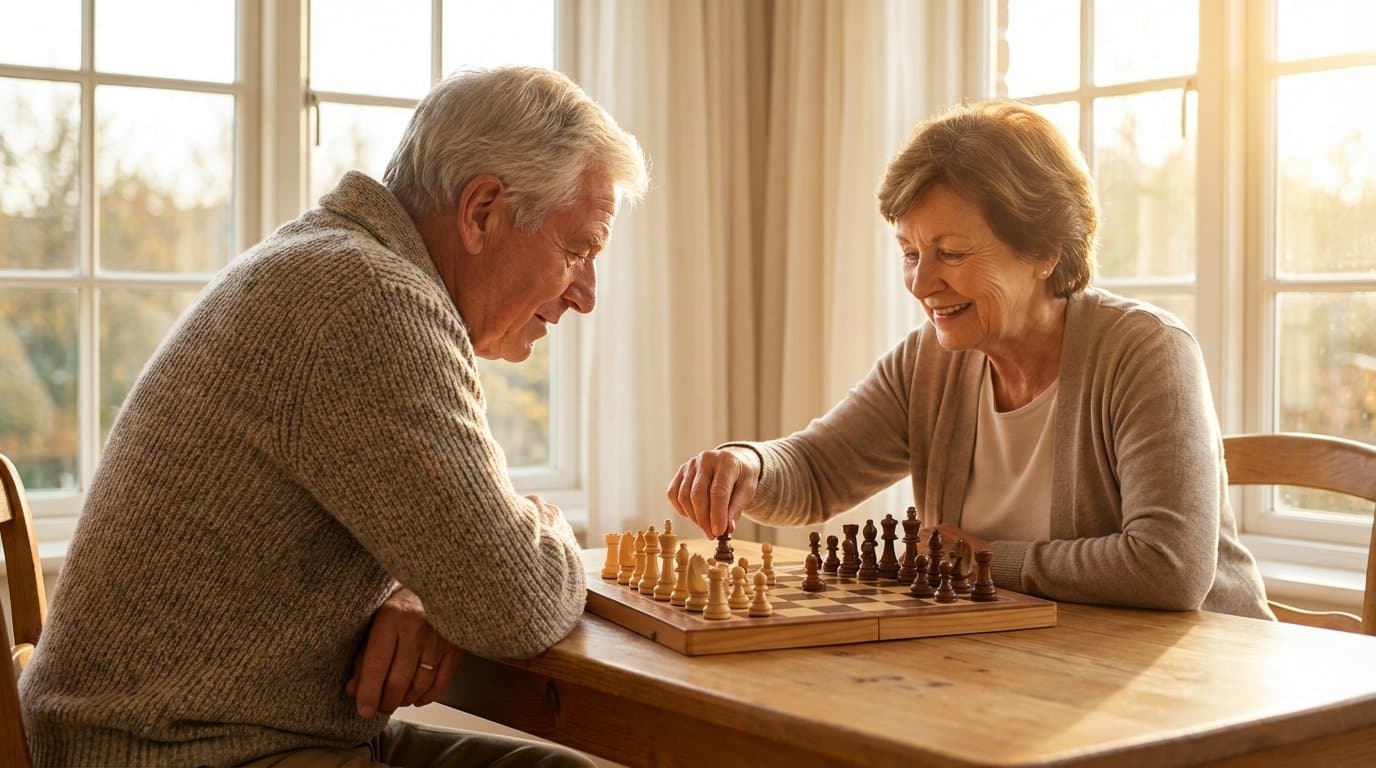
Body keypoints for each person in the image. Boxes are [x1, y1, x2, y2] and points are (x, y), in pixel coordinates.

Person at [20, 67, 647, 767]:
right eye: (577, 250)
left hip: (215, 732)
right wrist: (548, 525)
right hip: (178, 752)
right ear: (481, 212)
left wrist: (427, 589)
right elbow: (516, 601)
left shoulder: (335, 264)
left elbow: (477, 571)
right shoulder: (371, 303)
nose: (586, 295)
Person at [667, 99, 1271, 620]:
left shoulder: (1146, 352)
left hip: (1207, 682)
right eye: (909, 253)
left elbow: (1168, 568)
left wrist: (979, 558)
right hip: (1040, 668)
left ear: (1044, 251)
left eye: (949, 252)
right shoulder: (930, 363)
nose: (921, 282)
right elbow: (820, 470)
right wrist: (750, 464)